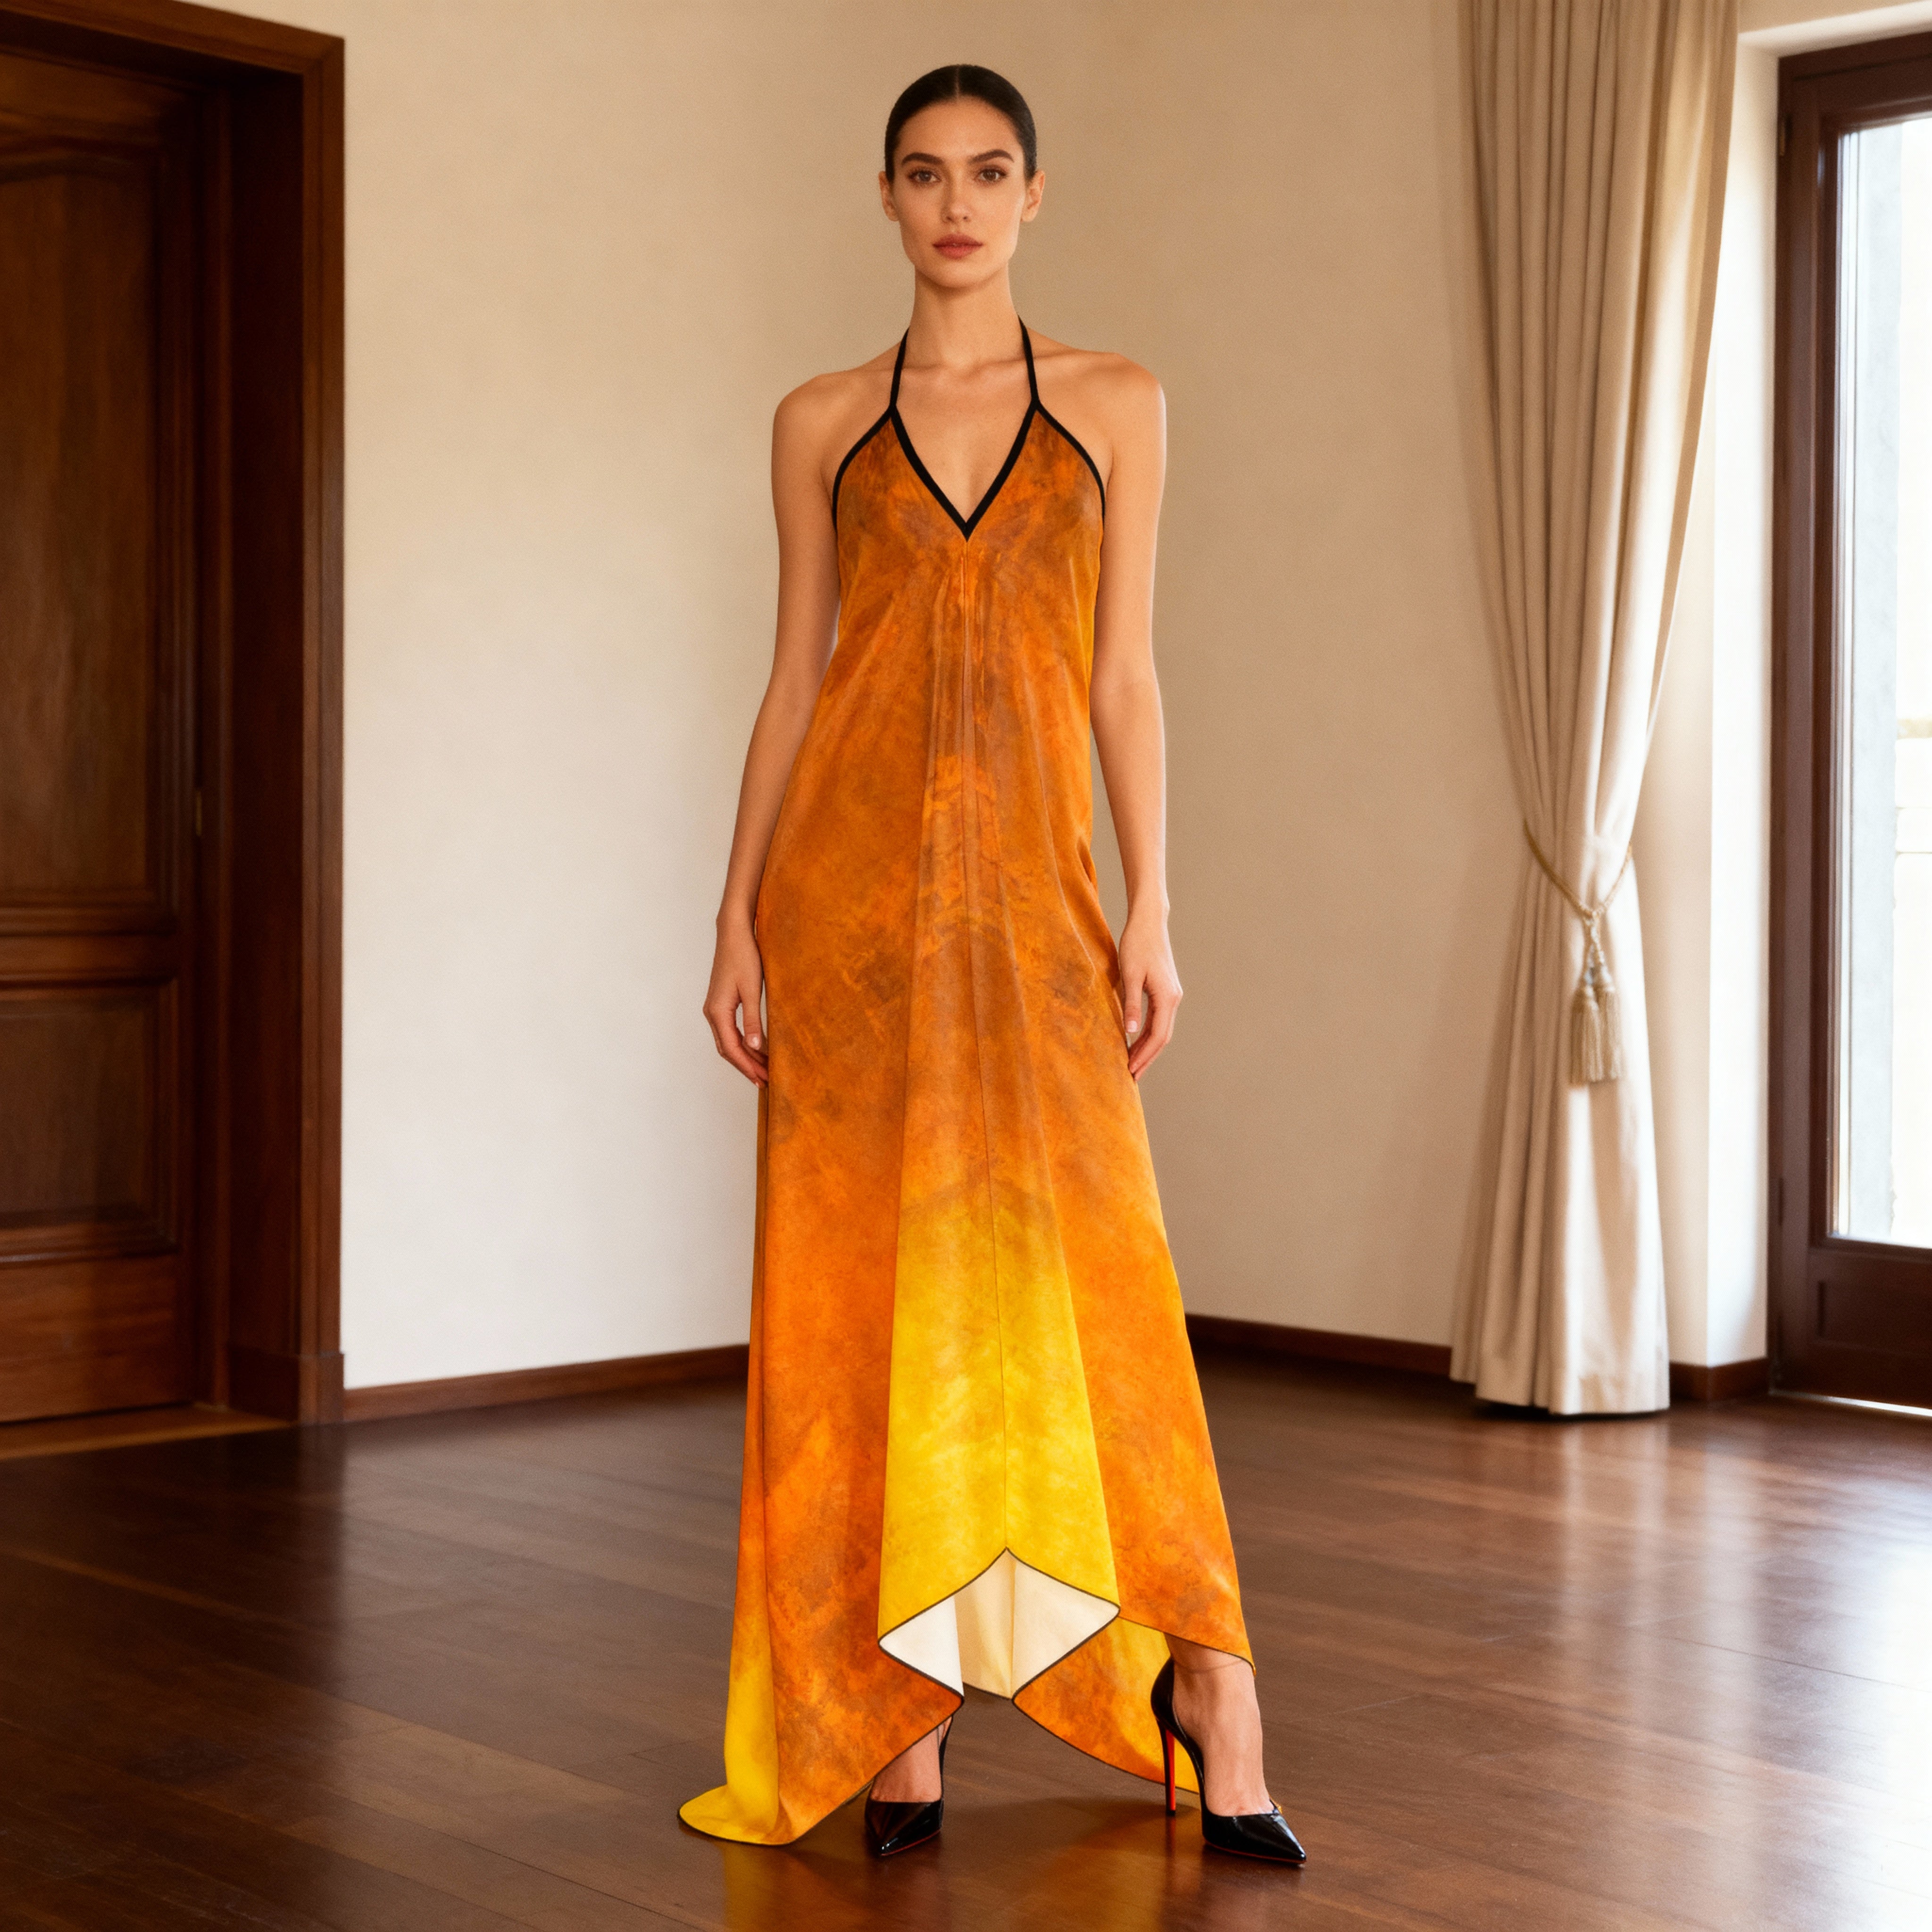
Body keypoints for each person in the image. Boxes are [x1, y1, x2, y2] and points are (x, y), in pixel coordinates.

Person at [682, 63, 1303, 1866]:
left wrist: (1154, 905)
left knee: (1099, 1288)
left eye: (988, 170)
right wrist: (734, 913)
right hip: (850, 918)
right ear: (885, 196)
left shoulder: (1115, 403)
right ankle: (900, 1712)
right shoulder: (820, 420)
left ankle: (1213, 1685)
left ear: (1036, 196)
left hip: (1039, 907)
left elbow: (1126, 676)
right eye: (923, 172)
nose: (955, 203)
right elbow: (796, 680)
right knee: (866, 1298)